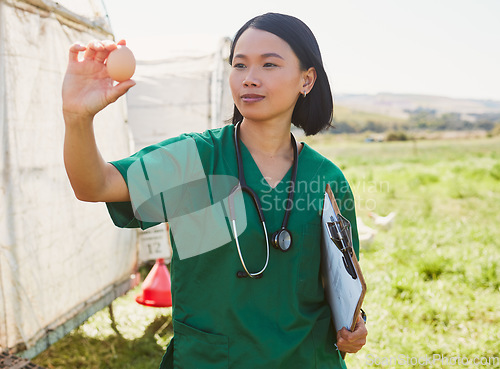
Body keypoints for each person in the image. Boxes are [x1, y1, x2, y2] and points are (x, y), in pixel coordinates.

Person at [62, 12, 367, 369]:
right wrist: (77, 117)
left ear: (306, 79)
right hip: (214, 361)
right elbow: (94, 185)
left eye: (269, 65)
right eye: (239, 65)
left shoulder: (327, 180)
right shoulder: (196, 159)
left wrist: (356, 327)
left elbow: (342, 288)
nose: (249, 79)